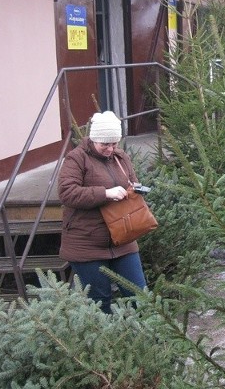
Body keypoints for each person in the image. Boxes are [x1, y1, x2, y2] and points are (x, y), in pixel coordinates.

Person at [58, 111, 147, 314]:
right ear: (93, 139)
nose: (110, 148)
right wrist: (105, 193)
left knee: (140, 296)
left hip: (123, 238)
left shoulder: (121, 157)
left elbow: (131, 180)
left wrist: (135, 189)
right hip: (86, 243)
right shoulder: (77, 159)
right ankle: (106, 343)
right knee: (99, 302)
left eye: (114, 143)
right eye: (105, 144)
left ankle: (151, 341)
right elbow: (67, 193)